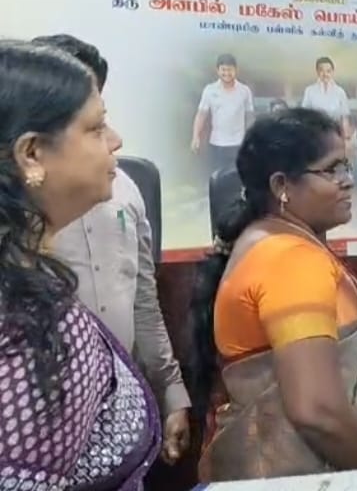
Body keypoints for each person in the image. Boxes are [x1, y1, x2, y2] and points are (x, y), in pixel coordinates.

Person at [191, 108, 357, 482]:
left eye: (347, 167)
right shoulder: (288, 259)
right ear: (282, 186)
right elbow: (317, 412)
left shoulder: (278, 245)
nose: (347, 181)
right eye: (332, 170)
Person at [0, 40, 159, 489]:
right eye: (96, 127)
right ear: (32, 154)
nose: (116, 140)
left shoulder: (27, 280)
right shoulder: (29, 319)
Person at [34, 33, 192, 466]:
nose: (111, 138)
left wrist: (170, 390)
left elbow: (142, 300)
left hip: (121, 405)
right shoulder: (18, 210)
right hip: (44, 413)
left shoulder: (125, 188)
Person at [190, 53, 254, 173]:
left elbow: (249, 116)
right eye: (223, 70)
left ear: (236, 70)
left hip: (239, 143)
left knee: (238, 176)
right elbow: (201, 115)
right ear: (218, 70)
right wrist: (195, 136)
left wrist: (250, 139)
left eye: (230, 70)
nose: (227, 73)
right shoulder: (210, 90)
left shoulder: (245, 91)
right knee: (218, 176)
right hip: (217, 144)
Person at [301, 56, 350, 135]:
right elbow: (304, 116)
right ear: (317, 72)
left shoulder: (340, 92)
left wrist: (346, 137)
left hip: (334, 134)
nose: (325, 74)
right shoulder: (309, 91)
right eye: (322, 71)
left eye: (328, 71)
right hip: (315, 134)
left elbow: (344, 118)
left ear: (332, 72)